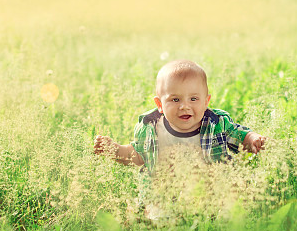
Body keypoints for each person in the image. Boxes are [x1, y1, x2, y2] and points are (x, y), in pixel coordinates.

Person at [94, 60, 266, 175]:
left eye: (193, 99)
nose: (185, 106)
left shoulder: (216, 125)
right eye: (175, 99)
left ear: (206, 102)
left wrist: (252, 139)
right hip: (165, 198)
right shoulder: (153, 128)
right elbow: (138, 156)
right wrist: (114, 150)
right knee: (157, 219)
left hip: (210, 196)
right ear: (160, 104)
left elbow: (237, 135)